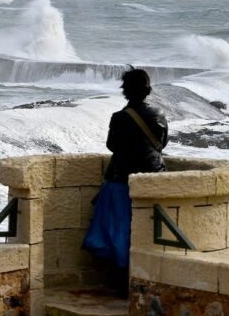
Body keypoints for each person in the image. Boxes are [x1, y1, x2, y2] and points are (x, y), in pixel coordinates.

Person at [82, 68, 168, 296]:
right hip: (153, 179)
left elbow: (112, 146)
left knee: (116, 230)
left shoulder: (120, 117)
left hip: (121, 180)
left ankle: (123, 281)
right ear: (148, 90)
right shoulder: (160, 114)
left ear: (125, 91)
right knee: (146, 231)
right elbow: (162, 144)